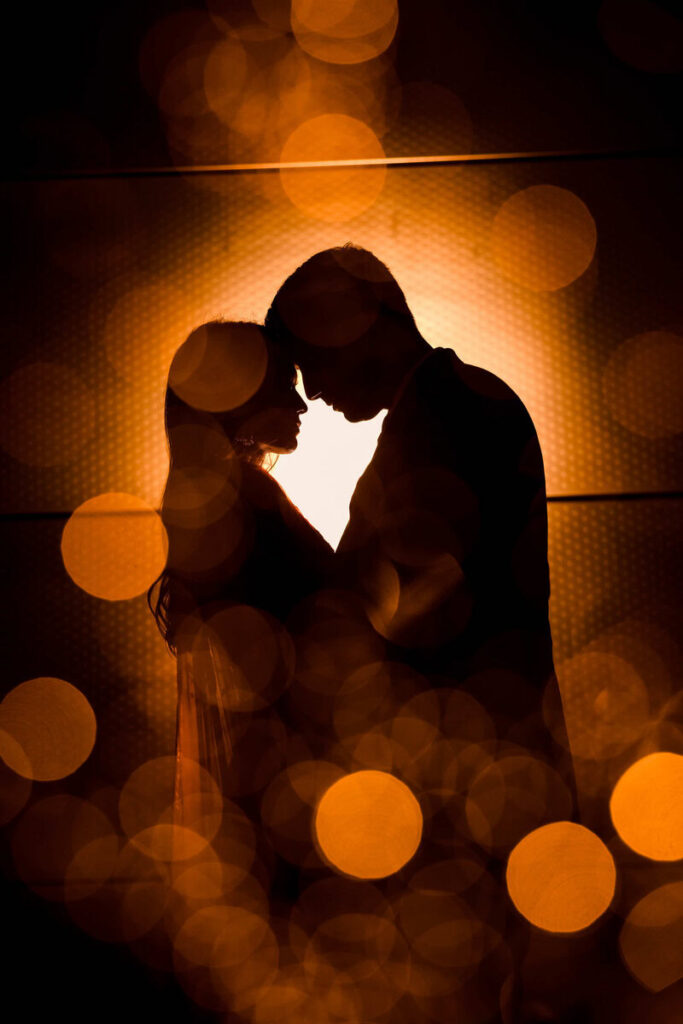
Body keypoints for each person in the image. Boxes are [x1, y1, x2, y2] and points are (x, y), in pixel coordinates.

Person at [150, 319, 332, 803]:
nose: (300, 404)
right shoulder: (245, 496)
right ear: (236, 395)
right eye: (282, 388)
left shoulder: (201, 500)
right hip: (295, 762)